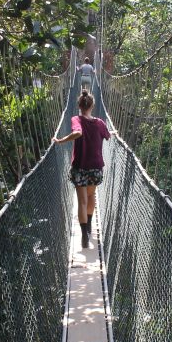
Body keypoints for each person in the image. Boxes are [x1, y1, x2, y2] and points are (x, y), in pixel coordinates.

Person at [54, 90, 110, 249]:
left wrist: (60, 141)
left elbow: (78, 132)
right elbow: (107, 136)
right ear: (93, 105)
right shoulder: (100, 122)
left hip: (80, 167)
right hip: (96, 167)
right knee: (92, 196)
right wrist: (110, 132)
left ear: (79, 106)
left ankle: (84, 235)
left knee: (82, 201)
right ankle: (90, 226)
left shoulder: (76, 119)